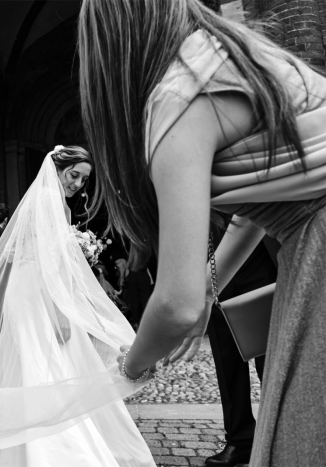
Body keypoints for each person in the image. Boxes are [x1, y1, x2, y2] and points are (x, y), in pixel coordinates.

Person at [78, 1, 326, 465]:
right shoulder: (231, 53)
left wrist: (132, 365)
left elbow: (176, 303)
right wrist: (213, 291)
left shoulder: (177, 95)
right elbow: (253, 214)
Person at [0, 145, 156, 466]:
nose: (78, 184)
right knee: (44, 363)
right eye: (74, 175)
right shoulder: (51, 203)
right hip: (38, 294)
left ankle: (26, 446)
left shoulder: (44, 202)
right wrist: (63, 311)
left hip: (28, 292)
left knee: (33, 365)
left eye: (84, 179)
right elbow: (50, 266)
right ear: (57, 168)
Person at [205, 221, 276, 467]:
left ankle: (277, 437)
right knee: (227, 360)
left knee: (271, 359)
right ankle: (240, 440)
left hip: (260, 258)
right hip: (211, 266)